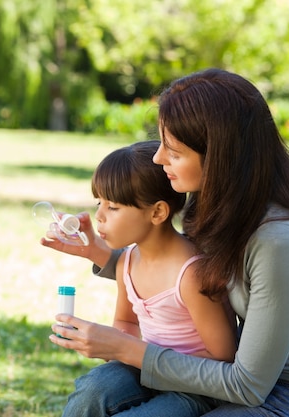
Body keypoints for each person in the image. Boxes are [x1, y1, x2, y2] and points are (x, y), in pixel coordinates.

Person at [42, 68, 289, 416]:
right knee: (95, 391)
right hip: (223, 375)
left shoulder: (276, 243)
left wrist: (127, 348)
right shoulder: (212, 205)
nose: (158, 158)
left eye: (173, 151)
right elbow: (177, 272)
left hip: (277, 390)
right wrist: (99, 253)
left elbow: (247, 384)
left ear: (220, 158)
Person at [61, 139, 237, 416]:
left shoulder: (192, 274)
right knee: (94, 388)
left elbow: (224, 358)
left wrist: (135, 352)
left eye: (114, 207)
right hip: (144, 369)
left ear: (157, 212)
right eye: (99, 202)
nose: (99, 216)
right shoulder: (127, 262)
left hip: (195, 388)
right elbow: (126, 322)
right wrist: (104, 342)